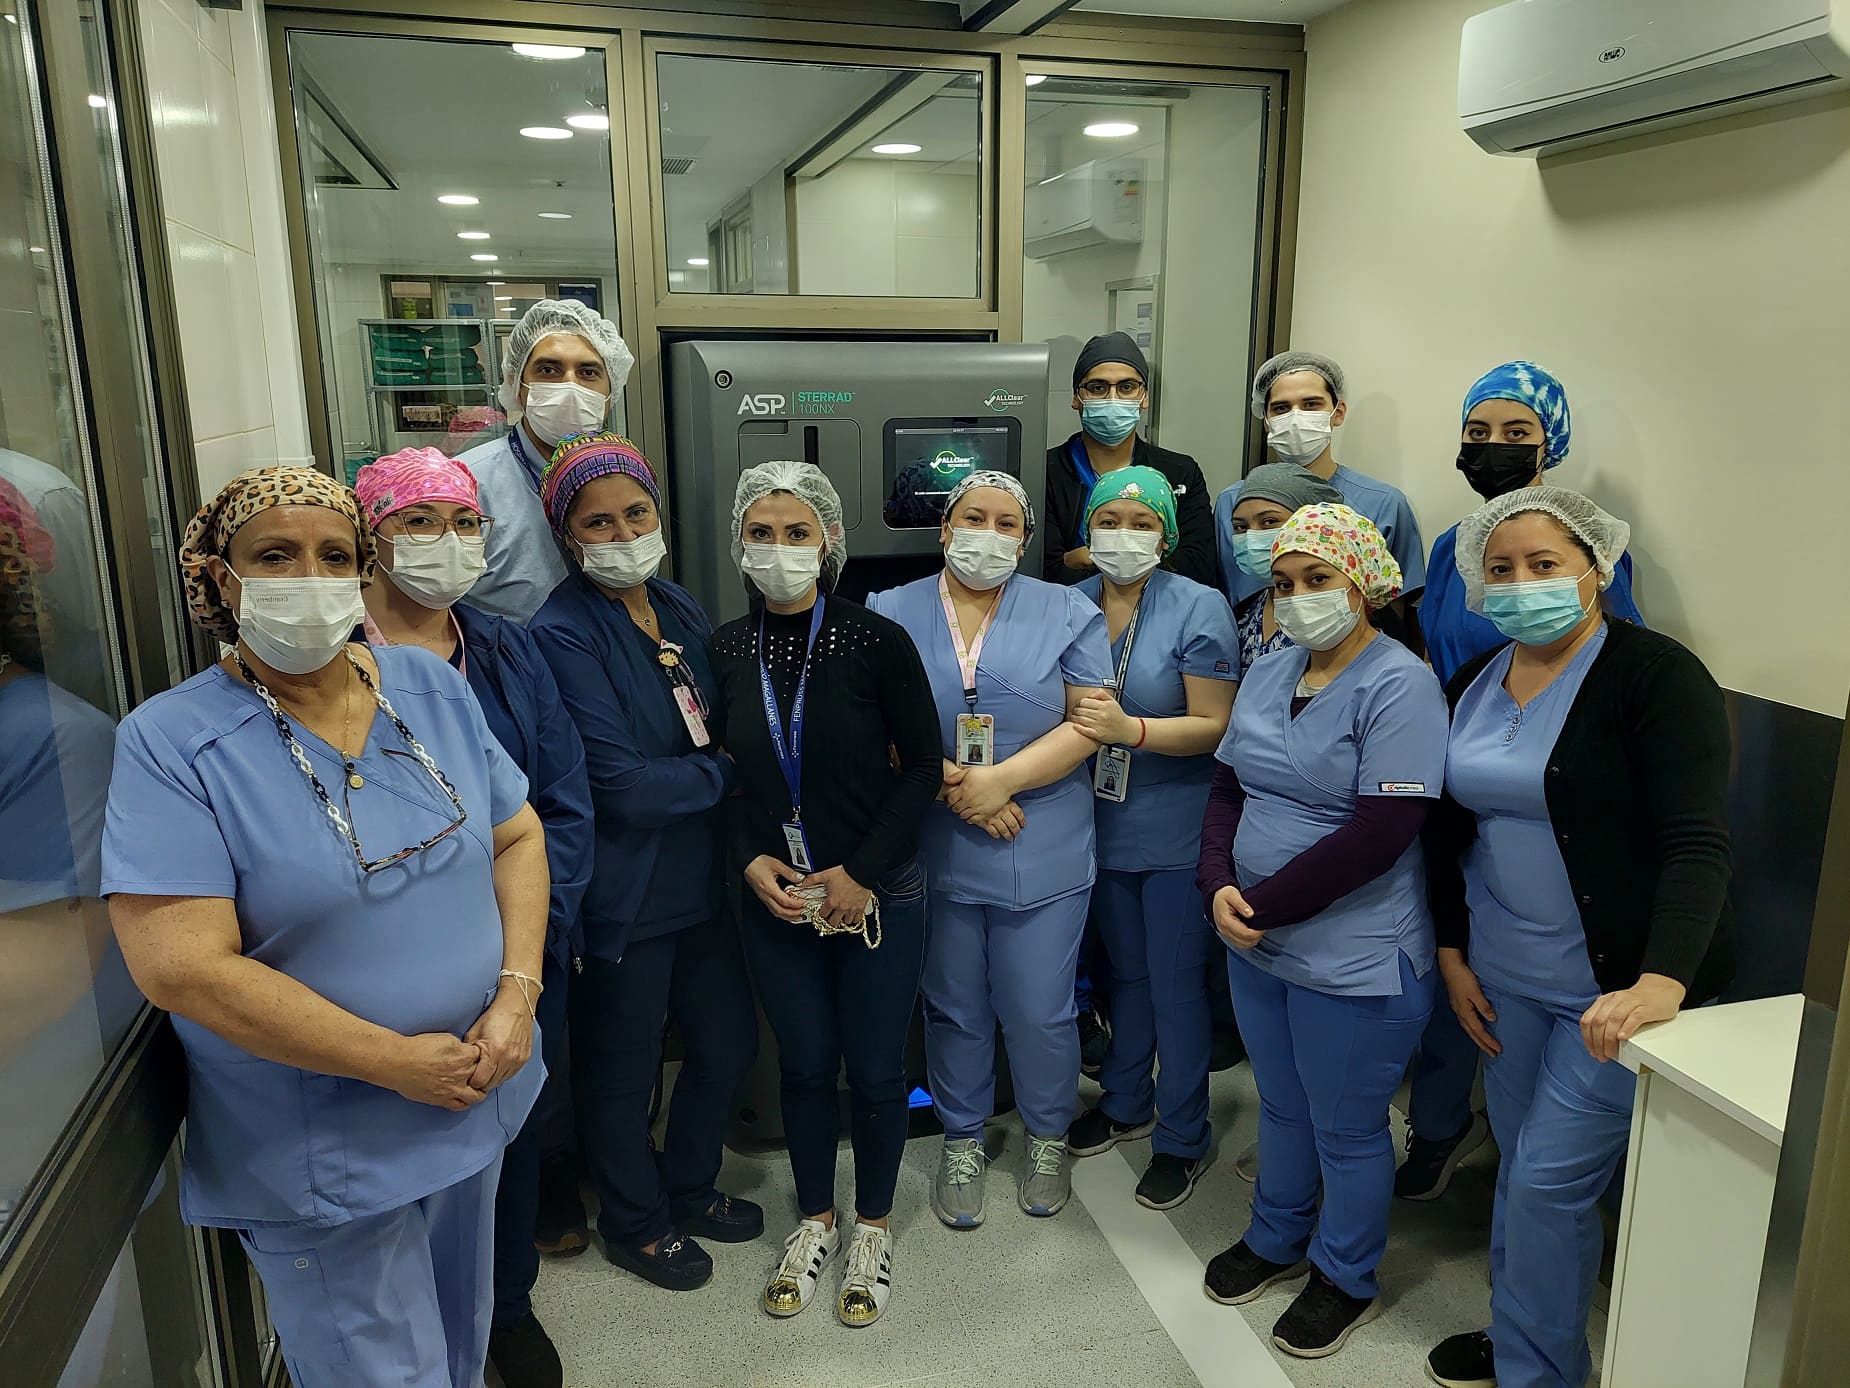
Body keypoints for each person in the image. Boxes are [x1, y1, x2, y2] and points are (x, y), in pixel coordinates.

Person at [100, 467, 549, 1388]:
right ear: (219, 578)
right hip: (324, 1140)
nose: (308, 576)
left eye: (334, 556)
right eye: (275, 555)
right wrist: (392, 1062)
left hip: (473, 1091)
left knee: (461, 1350)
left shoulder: (425, 686)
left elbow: (517, 836)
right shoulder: (174, 741)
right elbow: (183, 969)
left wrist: (516, 996)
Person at [1422, 488, 1732, 1388]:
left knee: (1547, 1185)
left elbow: (1696, 842)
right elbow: (1448, 833)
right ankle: (1528, 1335)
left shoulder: (1655, 676)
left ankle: (1537, 1371)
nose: (1523, 585)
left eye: (1546, 565)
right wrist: (1451, 950)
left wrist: (1663, 979)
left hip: (1614, 995)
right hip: (1504, 977)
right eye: (1502, 569)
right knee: (1522, 1170)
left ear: (1596, 570)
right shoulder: (1473, 682)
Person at [352, 449, 593, 1388]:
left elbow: (560, 800)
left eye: (464, 524)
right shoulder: (335, 660)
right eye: (420, 525)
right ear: (373, 541)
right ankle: (413, 1324)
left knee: (513, 1130)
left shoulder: (505, 646)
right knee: (406, 1142)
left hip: (523, 952)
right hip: (395, 959)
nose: (446, 545)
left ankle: (510, 1306)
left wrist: (531, 945)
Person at [1194, 503, 1447, 1360]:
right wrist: (1219, 883)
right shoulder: (1271, 668)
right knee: (1284, 1105)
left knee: (1346, 1125)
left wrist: (1260, 907)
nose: (1298, 599)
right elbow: (1228, 788)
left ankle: (1344, 1275)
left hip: (1354, 952)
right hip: (1254, 940)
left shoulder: (1401, 683)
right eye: (1284, 584)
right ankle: (1275, 1238)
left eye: (1317, 581)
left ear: (1364, 585)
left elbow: (1383, 832)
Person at [1401, 360, 1647, 1204]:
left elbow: (1612, 679)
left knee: (1554, 1121)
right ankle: (1438, 1133)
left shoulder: (1586, 554)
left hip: (1549, 830)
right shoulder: (1447, 549)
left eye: (1516, 435)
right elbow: (1431, 665)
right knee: (1454, 988)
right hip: (1458, 788)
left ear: (1554, 443)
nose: (1492, 449)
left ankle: (1542, 1194)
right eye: (1477, 433)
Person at [708, 461, 941, 1327]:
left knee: (878, 1071)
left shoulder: (876, 640)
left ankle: (872, 1227)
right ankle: (813, 1219)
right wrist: (747, 862)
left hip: (877, 893)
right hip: (781, 899)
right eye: (761, 534)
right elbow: (723, 779)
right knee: (803, 1068)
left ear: (830, 541)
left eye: (797, 533)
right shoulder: (725, 650)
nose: (779, 551)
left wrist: (861, 873)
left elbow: (921, 769)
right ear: (740, 542)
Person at [527, 433, 761, 1295]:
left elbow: (724, 710)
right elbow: (622, 787)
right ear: (568, 535)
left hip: (705, 880)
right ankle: (635, 1222)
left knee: (726, 1044)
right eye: (600, 521)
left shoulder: (677, 603)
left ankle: (689, 1186)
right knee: (622, 1073)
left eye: (637, 513)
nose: (623, 532)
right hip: (627, 892)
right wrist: (733, 772)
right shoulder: (559, 634)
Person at [869, 471, 1112, 1229]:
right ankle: (963, 1135)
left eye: (1007, 523)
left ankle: (1047, 1134)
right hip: (935, 837)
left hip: (1042, 836)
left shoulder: (1069, 609)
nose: (989, 533)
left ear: (1026, 539)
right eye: (973, 518)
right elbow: (872, 720)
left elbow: (1091, 721)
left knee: (1039, 1008)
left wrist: (1000, 782)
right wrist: (953, 784)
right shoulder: (890, 609)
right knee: (953, 1005)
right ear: (945, 531)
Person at [1064, 467, 1236, 1210]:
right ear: (1087, 530)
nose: (1124, 536)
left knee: (1174, 987)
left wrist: (1132, 730)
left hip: (1175, 828)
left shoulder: (1198, 607)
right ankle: (1127, 1100)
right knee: (1123, 977)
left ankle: (1182, 1136)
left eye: (1142, 523)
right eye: (1111, 520)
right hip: (1095, 826)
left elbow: (1216, 725)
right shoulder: (1066, 606)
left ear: (1166, 536)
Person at [459, 300, 635, 622]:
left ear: (611, 394)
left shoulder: (625, 479)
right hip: (510, 667)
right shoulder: (468, 485)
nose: (570, 386)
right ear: (517, 383)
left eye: (588, 372)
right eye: (549, 370)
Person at [1215, 351, 1425, 612]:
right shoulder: (1233, 503)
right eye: (1281, 408)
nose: (1295, 417)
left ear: (1338, 413)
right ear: (1267, 421)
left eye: (1311, 404)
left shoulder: (1383, 504)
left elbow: (1400, 612)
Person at [1042, 332, 1216, 587]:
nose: (1113, 398)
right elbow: (1044, 572)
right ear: (1076, 398)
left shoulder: (1179, 473)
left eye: (1126, 387)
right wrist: (1145, 555)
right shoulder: (1044, 472)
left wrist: (1085, 558)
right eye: (1098, 387)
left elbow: (1198, 568)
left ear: (1144, 397)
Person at [1223, 462, 1347, 680]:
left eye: (1269, 522)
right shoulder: (1243, 615)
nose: (1252, 537)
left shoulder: (1336, 613)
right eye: (1241, 527)